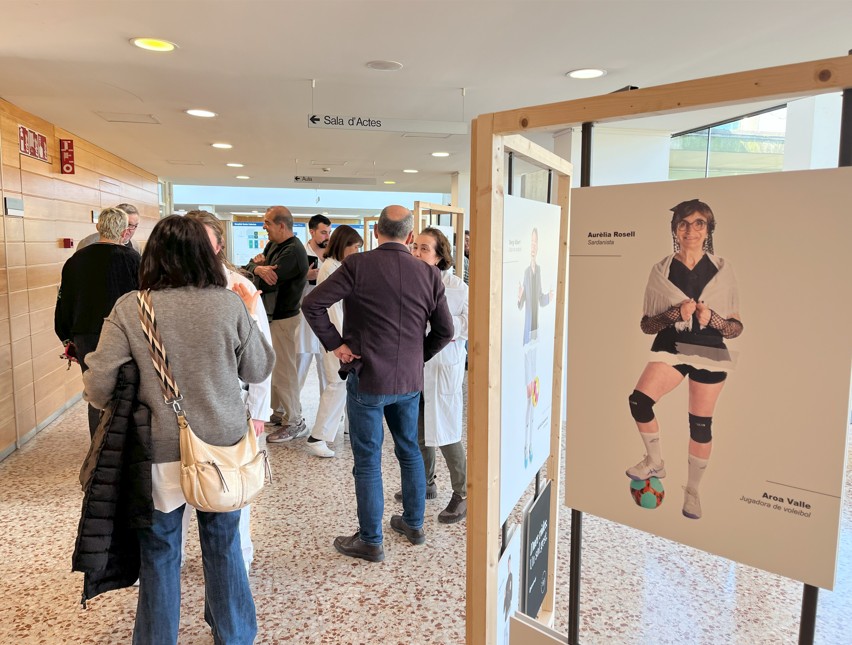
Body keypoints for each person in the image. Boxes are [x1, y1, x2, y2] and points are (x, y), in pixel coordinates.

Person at [82, 215, 274, 644]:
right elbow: (258, 368)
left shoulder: (132, 307)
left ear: (152, 256)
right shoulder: (227, 304)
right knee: (223, 545)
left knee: (160, 552)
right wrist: (246, 311)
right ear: (207, 255)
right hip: (222, 448)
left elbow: (97, 386)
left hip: (157, 449)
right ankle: (234, 636)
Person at [302, 205, 453, 562]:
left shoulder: (358, 265)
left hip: (368, 375)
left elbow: (313, 304)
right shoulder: (429, 274)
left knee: (368, 459)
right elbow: (445, 330)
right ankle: (414, 524)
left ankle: (371, 540)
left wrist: (336, 345)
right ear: (410, 236)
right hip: (408, 380)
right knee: (410, 450)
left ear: (375, 232)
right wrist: (417, 355)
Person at [626, 199, 743, 520]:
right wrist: (675, 314)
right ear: (675, 230)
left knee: (700, 425)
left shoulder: (722, 270)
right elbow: (647, 325)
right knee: (639, 402)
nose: (690, 230)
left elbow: (735, 328)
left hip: (710, 350)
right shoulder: (661, 270)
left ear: (709, 229)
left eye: (698, 223)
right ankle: (655, 462)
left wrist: (712, 319)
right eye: (683, 224)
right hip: (671, 347)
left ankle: (692, 490)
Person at [185, 209, 273, 571]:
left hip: (230, 403)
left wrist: (260, 411)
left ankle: (241, 557)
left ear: (219, 245)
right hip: (180, 405)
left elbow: (262, 353)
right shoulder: (168, 287)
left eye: (204, 241)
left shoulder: (238, 286)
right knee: (178, 487)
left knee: (232, 485)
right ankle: (171, 557)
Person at [54, 206, 140, 436]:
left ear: (98, 227)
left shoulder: (75, 260)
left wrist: (67, 337)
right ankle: (125, 443)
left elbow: (64, 302)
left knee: (95, 390)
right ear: (123, 231)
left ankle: (98, 443)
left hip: (86, 335)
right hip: (124, 334)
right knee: (128, 386)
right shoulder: (132, 259)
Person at [408, 227, 469, 523]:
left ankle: (463, 493)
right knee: (418, 429)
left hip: (443, 364)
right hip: (415, 364)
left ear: (439, 255)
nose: (417, 253)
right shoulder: (409, 281)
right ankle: (426, 483)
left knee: (446, 432)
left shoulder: (457, 287)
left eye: (425, 248)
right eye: (415, 247)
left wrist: (440, 325)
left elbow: (470, 323)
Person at [251, 206, 309, 442]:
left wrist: (256, 271)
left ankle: (295, 421)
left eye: (267, 222)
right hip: (272, 316)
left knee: (285, 371)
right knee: (275, 369)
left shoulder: (293, 252)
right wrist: (257, 267)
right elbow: (254, 268)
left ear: (281, 225)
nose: (264, 226)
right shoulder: (273, 245)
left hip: (285, 318)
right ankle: (280, 411)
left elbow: (266, 283)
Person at [304, 225, 363, 458]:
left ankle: (349, 427)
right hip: (336, 337)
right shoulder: (330, 268)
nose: (357, 251)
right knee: (337, 383)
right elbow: (332, 310)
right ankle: (318, 436)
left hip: (338, 336)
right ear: (343, 246)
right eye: (355, 247)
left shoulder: (337, 266)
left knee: (343, 383)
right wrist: (342, 343)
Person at [517, 228, 553, 468]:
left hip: (536, 335)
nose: (533, 246)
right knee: (527, 391)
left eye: (535, 242)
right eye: (530, 242)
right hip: (526, 338)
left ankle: (530, 444)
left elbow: (540, 299)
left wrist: (550, 296)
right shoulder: (524, 271)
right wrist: (518, 296)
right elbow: (520, 305)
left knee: (533, 392)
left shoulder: (538, 270)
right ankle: (525, 444)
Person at [296, 214, 332, 398]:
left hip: (327, 319)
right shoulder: (300, 254)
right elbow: (286, 285)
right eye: (323, 232)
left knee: (327, 373)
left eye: (329, 232)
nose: (327, 236)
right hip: (304, 319)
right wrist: (305, 277)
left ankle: (328, 411)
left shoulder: (332, 256)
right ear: (312, 232)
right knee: (299, 368)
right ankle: (290, 409)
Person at [76, 203, 141, 254]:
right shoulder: (88, 243)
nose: (129, 230)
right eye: (127, 224)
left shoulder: (136, 246)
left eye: (135, 226)